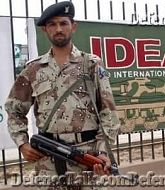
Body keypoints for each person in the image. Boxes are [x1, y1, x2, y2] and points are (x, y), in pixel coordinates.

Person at [5, 1, 120, 189]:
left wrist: (103, 153)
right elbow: (14, 109)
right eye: (52, 24)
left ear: (73, 27)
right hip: (47, 161)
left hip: (86, 158)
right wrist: (22, 144)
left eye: (63, 23)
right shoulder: (33, 70)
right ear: (45, 30)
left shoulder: (91, 65)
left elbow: (109, 113)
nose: (58, 29)